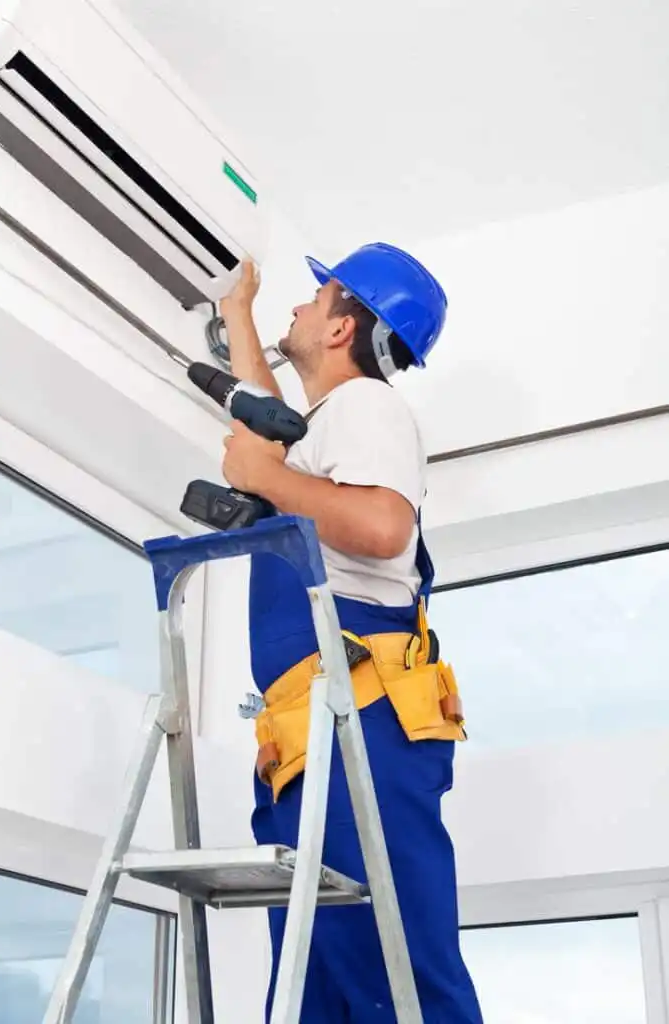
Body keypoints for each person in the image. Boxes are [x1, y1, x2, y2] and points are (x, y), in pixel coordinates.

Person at [220, 243, 483, 1024]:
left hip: (362, 718)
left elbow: (379, 525)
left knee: (393, 964)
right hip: (315, 726)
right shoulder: (323, 430)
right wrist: (236, 311)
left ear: (341, 327)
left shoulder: (369, 408)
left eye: (311, 297)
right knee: (324, 982)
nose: (296, 309)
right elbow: (269, 429)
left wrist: (264, 479)